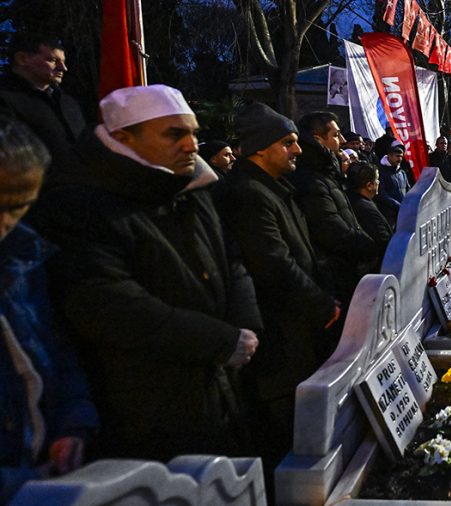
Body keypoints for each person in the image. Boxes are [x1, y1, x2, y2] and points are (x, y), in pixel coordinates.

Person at [34, 86, 262, 461]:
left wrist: (247, 327)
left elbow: (231, 260)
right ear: (124, 137)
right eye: (175, 134)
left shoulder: (192, 188)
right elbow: (109, 306)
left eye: (194, 133)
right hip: (143, 407)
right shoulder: (77, 206)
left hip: (219, 387)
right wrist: (218, 340)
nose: (191, 145)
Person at [219, 102, 341, 473]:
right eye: (288, 143)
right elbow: (274, 264)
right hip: (277, 334)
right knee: (286, 437)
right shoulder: (249, 194)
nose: (298, 150)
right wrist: (322, 304)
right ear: (260, 148)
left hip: (295, 325)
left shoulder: (272, 188)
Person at [1, 119, 97, 503]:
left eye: (18, 208)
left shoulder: (22, 259)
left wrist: (73, 424)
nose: (5, 223)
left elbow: (53, 348)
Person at [290, 112, 380, 301]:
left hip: (348, 269)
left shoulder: (327, 172)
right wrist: (372, 249)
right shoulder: (311, 179)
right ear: (318, 139)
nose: (343, 140)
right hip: (335, 277)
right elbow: (330, 227)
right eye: (336, 135)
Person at [0, 34, 85, 177]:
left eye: (63, 61)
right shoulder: (5, 100)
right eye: (53, 60)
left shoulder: (68, 103)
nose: (63, 68)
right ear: (23, 59)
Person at [345, 162, 393, 260]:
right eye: (377, 179)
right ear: (369, 185)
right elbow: (384, 242)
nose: (378, 182)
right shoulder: (366, 210)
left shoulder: (347, 199)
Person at [377, 143, 412, 224]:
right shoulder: (381, 172)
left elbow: (407, 188)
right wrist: (397, 205)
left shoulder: (402, 172)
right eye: (397, 156)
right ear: (389, 156)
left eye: (401, 156)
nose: (399, 159)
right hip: (389, 213)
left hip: (402, 211)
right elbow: (381, 194)